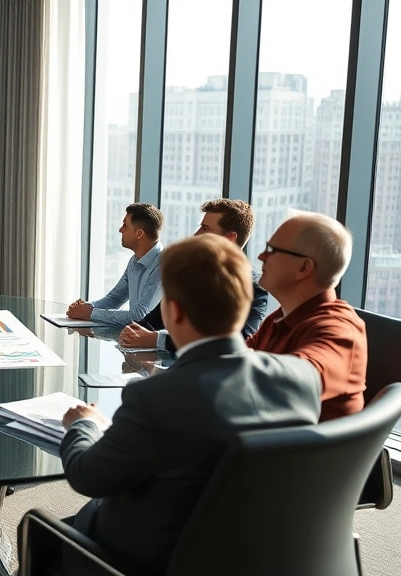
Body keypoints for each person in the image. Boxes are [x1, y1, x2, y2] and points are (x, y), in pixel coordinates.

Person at [56, 234, 321, 575]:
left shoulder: (156, 397)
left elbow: (88, 477)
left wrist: (84, 424)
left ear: (174, 311)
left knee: (45, 531)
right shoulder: (302, 378)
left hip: (151, 558)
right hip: (255, 554)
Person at [247, 211, 368, 421]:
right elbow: (239, 359)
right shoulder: (281, 318)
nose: (261, 256)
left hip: (287, 451)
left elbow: (299, 380)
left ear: (304, 267)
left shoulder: (339, 330)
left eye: (272, 250)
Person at [118, 199, 269, 352]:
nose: (196, 235)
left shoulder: (255, 288)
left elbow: (238, 341)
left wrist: (158, 340)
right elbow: (158, 317)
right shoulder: (189, 273)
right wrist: (134, 330)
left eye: (205, 228)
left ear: (230, 238)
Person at [66, 203, 163, 326]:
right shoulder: (134, 261)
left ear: (139, 234)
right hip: (134, 339)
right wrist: (85, 308)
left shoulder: (162, 265)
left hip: (153, 342)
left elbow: (140, 316)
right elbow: (115, 299)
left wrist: (91, 313)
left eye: (125, 225)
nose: (120, 230)